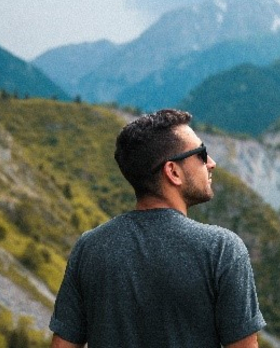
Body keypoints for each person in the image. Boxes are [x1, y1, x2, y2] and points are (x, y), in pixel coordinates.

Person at [49, 109, 266, 348]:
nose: (211, 163)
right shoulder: (221, 249)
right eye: (202, 154)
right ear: (173, 172)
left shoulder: (89, 248)